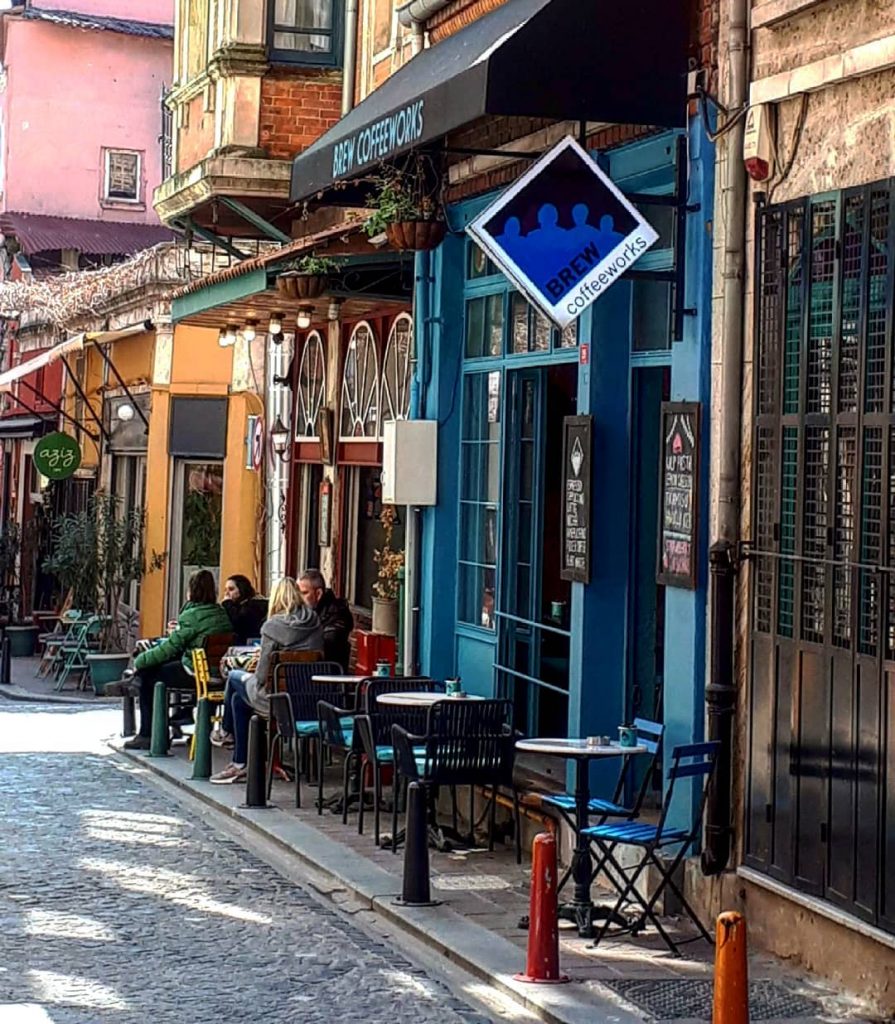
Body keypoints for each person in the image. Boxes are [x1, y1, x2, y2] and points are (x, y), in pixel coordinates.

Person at [210, 577, 324, 784]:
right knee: (238, 701)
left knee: (234, 676)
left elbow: (261, 676)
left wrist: (248, 677)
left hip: (275, 701)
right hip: (307, 700)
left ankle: (227, 734)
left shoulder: (272, 626)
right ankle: (240, 762)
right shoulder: (314, 622)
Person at [123, 570, 233, 750]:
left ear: (192, 591)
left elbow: (169, 648)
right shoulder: (220, 614)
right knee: (158, 670)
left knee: (148, 676)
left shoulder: (192, 616)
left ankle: (149, 734)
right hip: (217, 673)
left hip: (195, 673)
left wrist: (140, 660)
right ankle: (182, 716)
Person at [297, 568, 354, 670]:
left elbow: (328, 644)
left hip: (327, 674)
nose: (299, 598)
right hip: (308, 670)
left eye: (304, 593)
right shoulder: (307, 612)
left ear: (318, 594)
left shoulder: (337, 613)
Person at [221, 574, 268, 645]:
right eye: (225, 590)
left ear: (241, 589)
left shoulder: (252, 606)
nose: (227, 593)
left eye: (231, 589)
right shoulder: (240, 605)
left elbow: (238, 622)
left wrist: (228, 604)